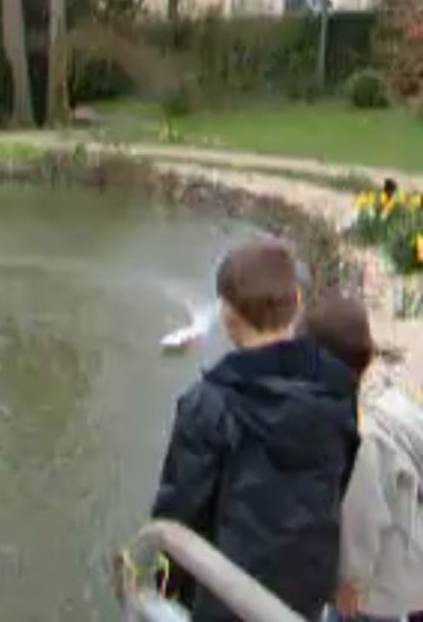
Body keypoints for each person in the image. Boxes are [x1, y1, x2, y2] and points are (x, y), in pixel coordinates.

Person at [151, 240, 360, 622]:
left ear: (228, 315)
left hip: (225, 595)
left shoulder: (209, 404)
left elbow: (179, 510)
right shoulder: (337, 387)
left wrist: (163, 587)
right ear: (298, 303)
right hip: (305, 590)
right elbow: (340, 481)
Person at [301, 298, 423, 622]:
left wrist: (350, 582)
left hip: (386, 575)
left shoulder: (361, 437)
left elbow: (363, 517)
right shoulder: (390, 398)